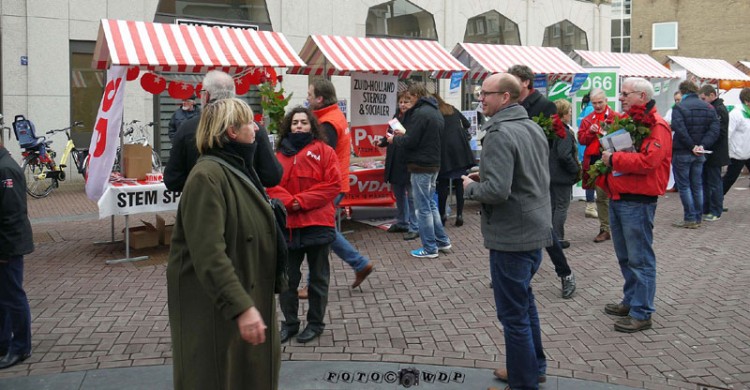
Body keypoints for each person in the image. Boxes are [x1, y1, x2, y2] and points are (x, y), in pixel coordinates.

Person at [167, 98, 280, 389]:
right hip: (217, 313)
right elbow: (209, 254)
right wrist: (242, 307)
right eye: (248, 123)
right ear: (232, 131)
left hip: (239, 302)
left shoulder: (237, 168)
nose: (255, 127)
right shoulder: (207, 177)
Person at [463, 73, 552, 390]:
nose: (481, 99)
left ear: (506, 97)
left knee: (513, 315)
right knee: (524, 305)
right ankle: (531, 368)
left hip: (512, 235)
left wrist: (471, 188)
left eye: (485, 94)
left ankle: (523, 381)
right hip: (533, 228)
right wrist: (483, 173)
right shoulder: (530, 126)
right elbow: (526, 175)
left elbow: (498, 191)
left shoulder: (500, 133)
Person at [600, 77, 672, 333]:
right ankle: (631, 301)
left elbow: (649, 162)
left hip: (637, 202)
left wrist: (614, 158)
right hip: (620, 198)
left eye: (625, 94)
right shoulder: (632, 122)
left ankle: (642, 312)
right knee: (626, 257)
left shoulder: (658, 126)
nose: (620, 98)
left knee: (640, 259)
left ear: (642, 96)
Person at [267, 106, 341, 344]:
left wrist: (299, 201)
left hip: (317, 224)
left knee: (318, 279)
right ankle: (290, 324)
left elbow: (332, 185)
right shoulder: (278, 156)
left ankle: (315, 324)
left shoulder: (325, 152)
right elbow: (270, 184)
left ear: (312, 126)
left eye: (304, 122)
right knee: (287, 280)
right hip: (287, 226)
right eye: (295, 122)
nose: (299, 126)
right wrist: (290, 202)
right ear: (289, 126)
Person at [507, 64, 576, 299]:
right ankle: (510, 274)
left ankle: (565, 273)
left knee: (543, 226)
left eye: (514, 79)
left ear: (526, 82)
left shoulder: (544, 105)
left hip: (536, 172)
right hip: (514, 171)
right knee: (512, 224)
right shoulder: (511, 104)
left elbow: (553, 138)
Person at [306, 79, 374, 291]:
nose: (307, 98)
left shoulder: (328, 122)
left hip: (329, 185)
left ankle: (314, 284)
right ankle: (359, 264)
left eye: (310, 94)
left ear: (319, 98)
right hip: (335, 183)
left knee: (321, 231)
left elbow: (321, 156)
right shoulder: (333, 117)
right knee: (325, 231)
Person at [164, 70, 282, 192]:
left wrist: (200, 186)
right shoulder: (252, 128)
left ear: (207, 95)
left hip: (202, 202)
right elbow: (272, 176)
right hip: (244, 204)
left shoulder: (187, 128)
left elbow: (173, 180)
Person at [386, 83, 451, 259]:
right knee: (430, 204)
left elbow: (411, 141)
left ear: (416, 95)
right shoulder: (435, 111)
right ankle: (442, 241)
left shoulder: (420, 113)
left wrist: (395, 140)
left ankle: (430, 247)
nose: (408, 101)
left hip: (421, 164)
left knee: (423, 208)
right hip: (433, 163)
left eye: (410, 97)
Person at [0, 129, 34, 370]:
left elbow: (12, 215)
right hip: (5, 244)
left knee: (13, 296)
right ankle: (4, 342)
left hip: (7, 246)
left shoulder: (6, 170)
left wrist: (4, 251)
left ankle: (21, 347)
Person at [670, 80, 719, 229]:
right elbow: (714, 130)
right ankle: (698, 216)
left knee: (684, 186)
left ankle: (690, 217)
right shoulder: (709, 107)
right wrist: (702, 145)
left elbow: (679, 128)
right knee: (697, 185)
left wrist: (692, 146)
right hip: (700, 153)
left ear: (683, 92)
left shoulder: (679, 107)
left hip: (683, 151)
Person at [578, 88, 619, 243]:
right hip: (596, 161)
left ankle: (615, 227)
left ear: (606, 100)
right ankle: (605, 228)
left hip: (614, 160)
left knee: (614, 196)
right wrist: (589, 132)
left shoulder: (616, 117)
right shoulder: (588, 119)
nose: (597, 106)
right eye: (594, 103)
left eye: (600, 102)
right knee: (601, 196)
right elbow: (581, 139)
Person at [434, 94, 475, 227]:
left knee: (443, 183)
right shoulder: (451, 108)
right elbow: (467, 124)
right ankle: (459, 215)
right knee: (459, 183)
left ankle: (442, 215)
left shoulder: (434, 112)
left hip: (444, 150)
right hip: (459, 149)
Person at [381, 91, 418, 237]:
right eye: (401, 101)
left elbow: (412, 139)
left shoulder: (415, 118)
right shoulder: (396, 117)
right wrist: (383, 142)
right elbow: (390, 134)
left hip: (408, 161)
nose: (402, 104)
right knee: (398, 194)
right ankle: (402, 222)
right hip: (395, 160)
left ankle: (414, 225)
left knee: (411, 196)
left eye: (406, 102)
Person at [549, 99, 581, 249]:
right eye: (569, 112)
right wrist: (575, 169)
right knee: (561, 207)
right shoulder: (564, 133)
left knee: (553, 206)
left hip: (550, 174)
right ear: (563, 114)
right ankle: (558, 238)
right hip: (561, 176)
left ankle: (551, 236)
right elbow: (564, 155)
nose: (571, 114)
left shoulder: (550, 130)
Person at [698, 85, 729, 221]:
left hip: (715, 152)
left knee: (714, 182)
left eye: (704, 98)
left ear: (712, 95)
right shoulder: (712, 108)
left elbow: (719, 132)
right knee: (706, 181)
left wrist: (706, 143)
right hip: (709, 151)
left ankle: (716, 210)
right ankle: (708, 207)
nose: (703, 101)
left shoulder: (719, 110)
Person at [721, 88, 750, 195]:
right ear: (747, 101)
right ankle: (715, 200)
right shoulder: (736, 114)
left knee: (729, 178)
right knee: (730, 178)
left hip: (748, 151)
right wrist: (727, 152)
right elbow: (728, 133)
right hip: (738, 153)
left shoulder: (748, 113)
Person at [578, 93, 597, 218]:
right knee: (592, 179)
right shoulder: (591, 111)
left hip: (583, 148)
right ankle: (591, 205)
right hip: (590, 149)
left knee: (589, 178)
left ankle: (590, 204)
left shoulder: (585, 109)